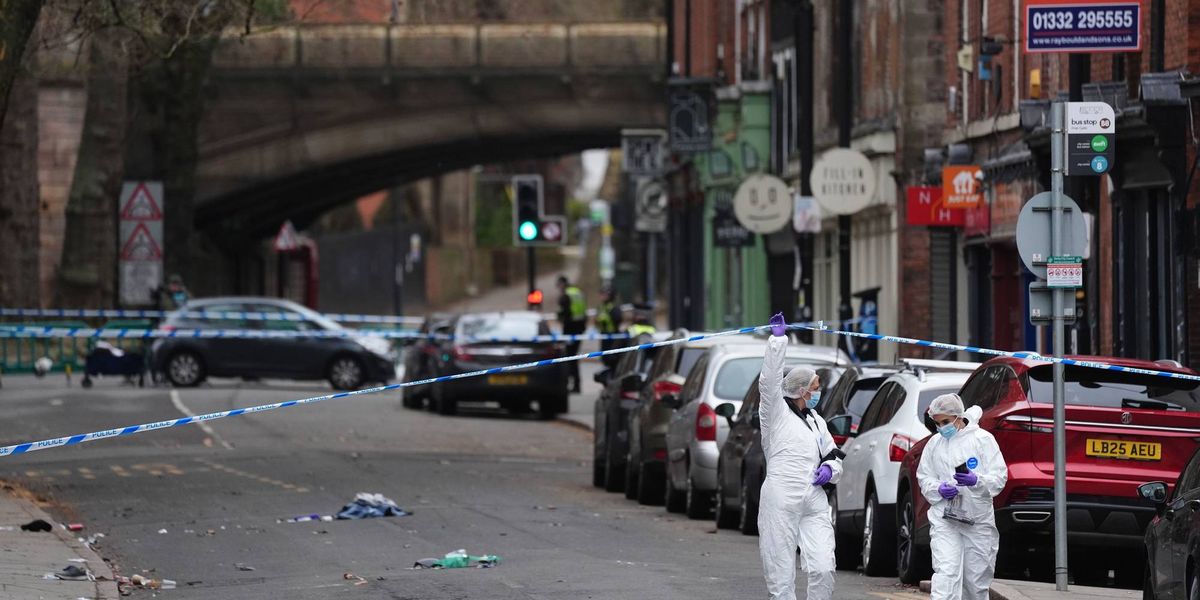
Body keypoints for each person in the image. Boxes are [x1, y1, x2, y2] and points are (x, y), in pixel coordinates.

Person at [758, 312, 842, 600]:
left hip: (813, 497)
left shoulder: (817, 421)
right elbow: (769, 382)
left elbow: (833, 454)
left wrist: (831, 469)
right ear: (802, 390)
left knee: (823, 566)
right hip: (781, 498)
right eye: (816, 388)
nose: (819, 393)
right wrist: (777, 342)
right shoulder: (775, 414)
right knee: (781, 575)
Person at [917, 394, 1007, 600]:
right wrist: (938, 488)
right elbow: (924, 476)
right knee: (946, 574)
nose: (941, 428)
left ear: (958, 416)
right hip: (945, 519)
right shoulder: (934, 444)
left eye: (945, 422)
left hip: (977, 521)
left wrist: (976, 481)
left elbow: (999, 478)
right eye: (937, 423)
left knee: (975, 583)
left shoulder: (982, 440)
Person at [556, 275, 588, 393]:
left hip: (570, 330)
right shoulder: (577, 292)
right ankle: (576, 384)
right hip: (579, 330)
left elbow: (563, 314)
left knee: (570, 357)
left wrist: (559, 317)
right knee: (573, 356)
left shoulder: (565, 296)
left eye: (559, 285)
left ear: (562, 284)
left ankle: (573, 385)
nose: (559, 288)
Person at [595, 286, 623, 368]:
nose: (602, 296)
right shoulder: (601, 306)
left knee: (612, 357)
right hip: (604, 335)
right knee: (604, 357)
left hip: (613, 335)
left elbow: (618, 319)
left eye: (604, 294)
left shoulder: (613, 307)